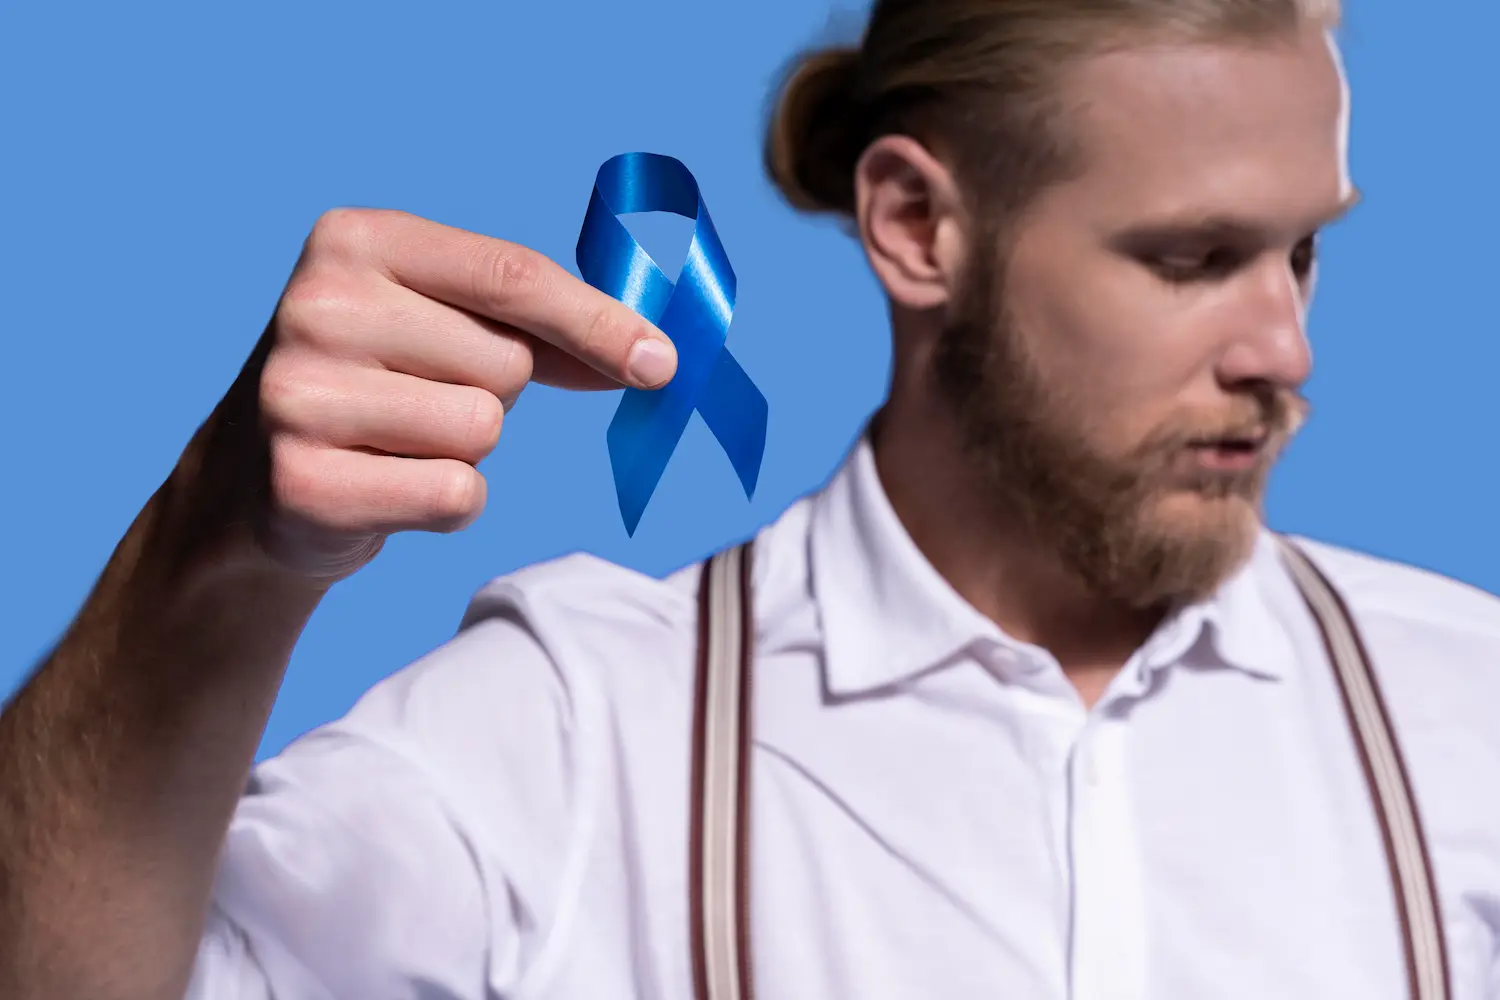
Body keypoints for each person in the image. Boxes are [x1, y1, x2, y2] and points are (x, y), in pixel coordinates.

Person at [3, 0, 1498, 997]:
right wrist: (212, 554)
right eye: (1191, 260)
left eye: (1303, 252)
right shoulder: (578, 734)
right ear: (914, 224)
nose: (1284, 350)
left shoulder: (1467, 710)